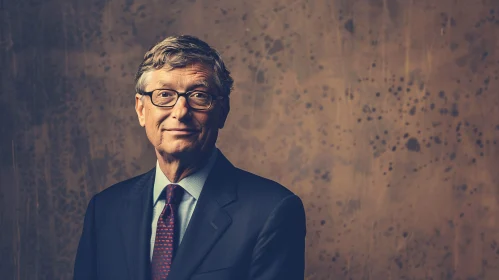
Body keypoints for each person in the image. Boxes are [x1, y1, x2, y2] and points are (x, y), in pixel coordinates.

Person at [73, 35, 306, 280]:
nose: (181, 112)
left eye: (199, 96)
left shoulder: (271, 210)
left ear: (222, 111)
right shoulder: (105, 209)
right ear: (141, 110)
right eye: (164, 95)